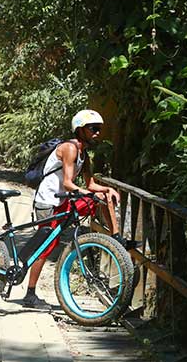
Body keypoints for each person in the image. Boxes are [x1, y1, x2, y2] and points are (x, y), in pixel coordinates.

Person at [21, 108, 121, 309]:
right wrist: (88, 193)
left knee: (102, 198)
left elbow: (90, 184)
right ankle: (29, 294)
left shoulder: (84, 154)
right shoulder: (70, 148)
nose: (97, 133)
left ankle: (117, 239)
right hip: (48, 201)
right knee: (46, 246)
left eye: (99, 129)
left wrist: (108, 189)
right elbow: (67, 182)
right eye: (93, 129)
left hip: (63, 199)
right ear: (80, 129)